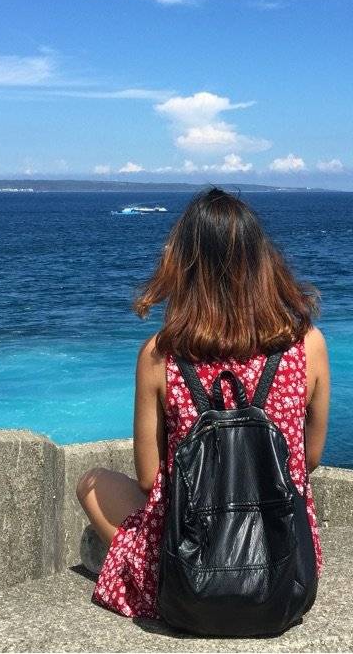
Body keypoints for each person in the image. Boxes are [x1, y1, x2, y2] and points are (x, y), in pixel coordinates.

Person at [77, 187, 331, 619]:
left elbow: (149, 480)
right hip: (284, 570)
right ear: (262, 262)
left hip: (190, 573)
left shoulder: (160, 355)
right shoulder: (307, 346)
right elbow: (308, 460)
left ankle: (135, 567)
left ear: (183, 267)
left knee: (91, 481)